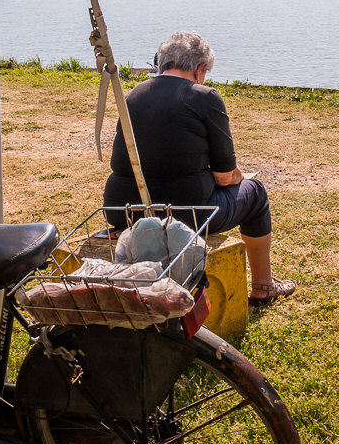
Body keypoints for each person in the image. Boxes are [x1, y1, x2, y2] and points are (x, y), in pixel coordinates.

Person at [103, 30, 296, 306]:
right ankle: (263, 286)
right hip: (188, 213)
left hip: (124, 210)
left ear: (163, 62)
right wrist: (241, 177)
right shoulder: (205, 97)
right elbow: (225, 175)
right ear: (200, 68)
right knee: (255, 194)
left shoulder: (133, 95)